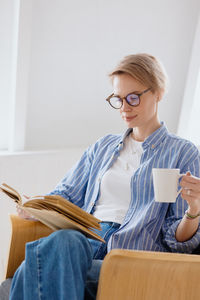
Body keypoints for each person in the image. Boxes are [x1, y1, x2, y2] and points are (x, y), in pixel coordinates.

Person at [1, 53, 200, 300]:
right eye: (118, 99)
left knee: (32, 270)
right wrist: (38, 206)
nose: (125, 107)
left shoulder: (183, 152)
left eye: (134, 98)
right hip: (82, 245)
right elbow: (65, 195)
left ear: (158, 92)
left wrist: (194, 209)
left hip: (129, 258)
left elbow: (178, 242)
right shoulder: (103, 146)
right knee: (64, 243)